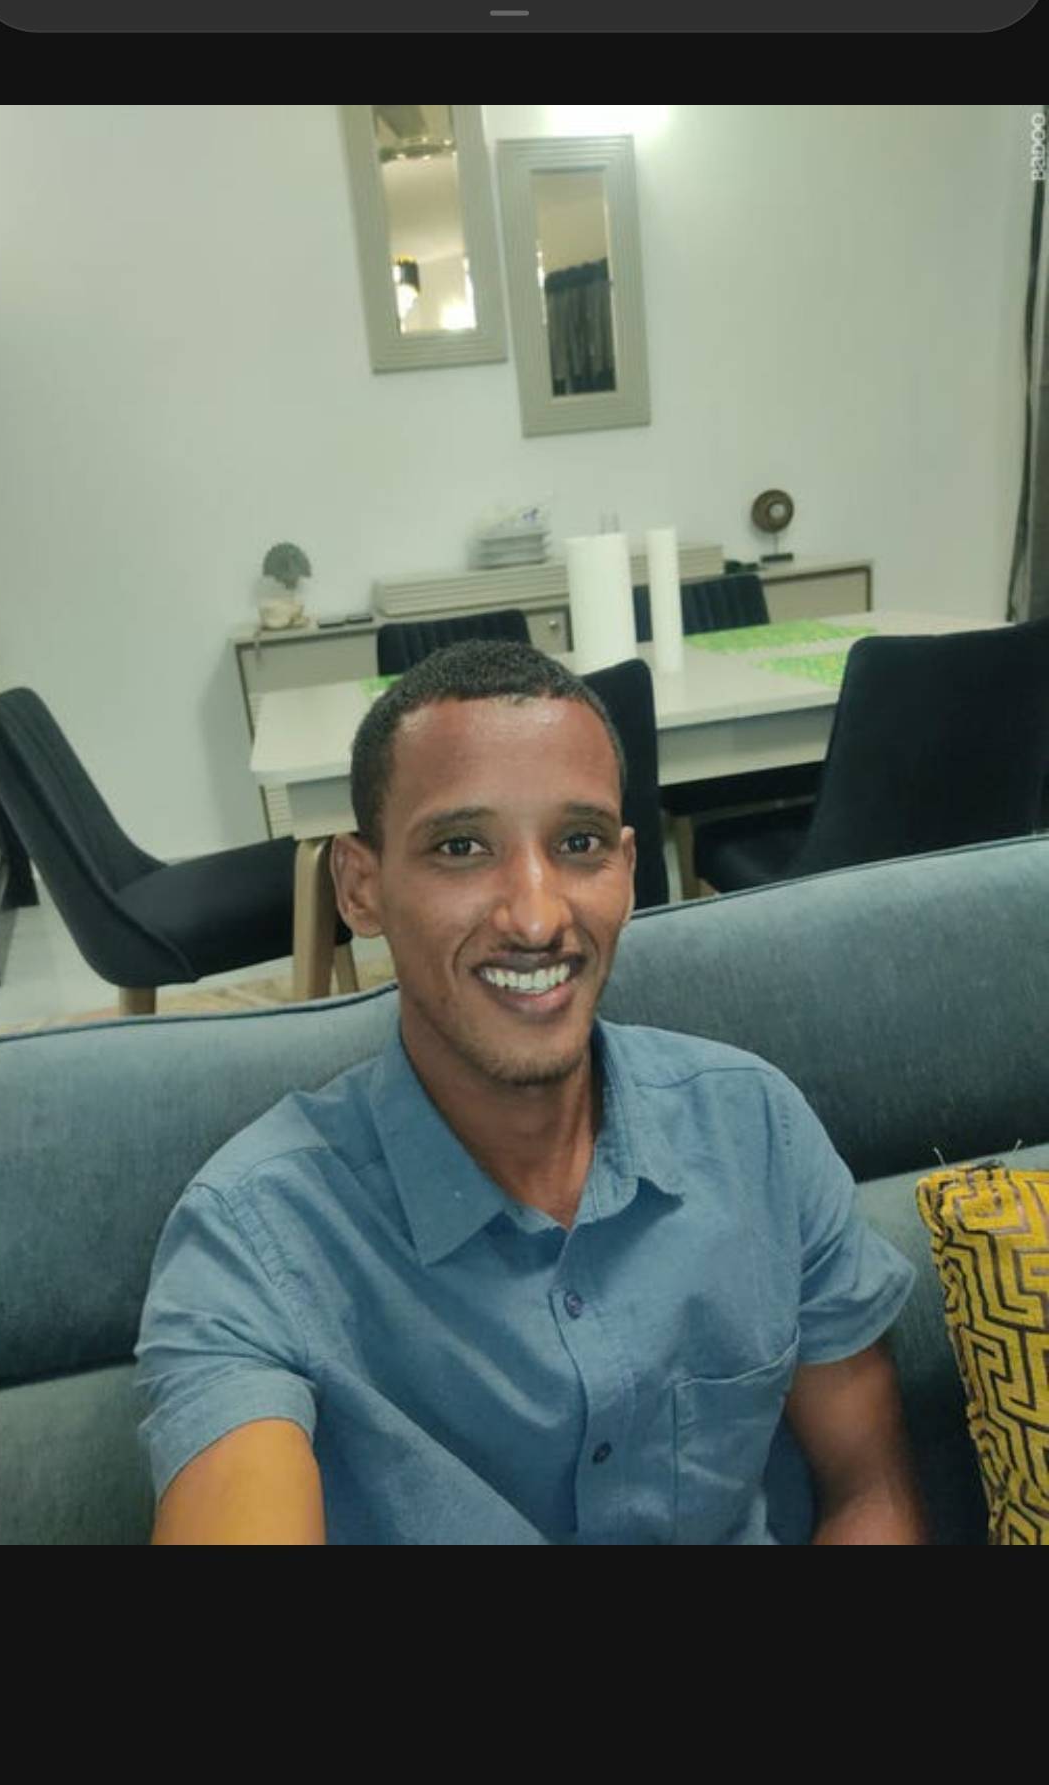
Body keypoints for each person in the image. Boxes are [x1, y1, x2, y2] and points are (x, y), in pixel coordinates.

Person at [135, 640, 927, 1545]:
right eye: (461, 847)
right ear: (360, 888)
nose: (538, 917)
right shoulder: (260, 1239)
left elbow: (871, 1491)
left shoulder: (755, 1130)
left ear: (628, 869)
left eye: (578, 844)